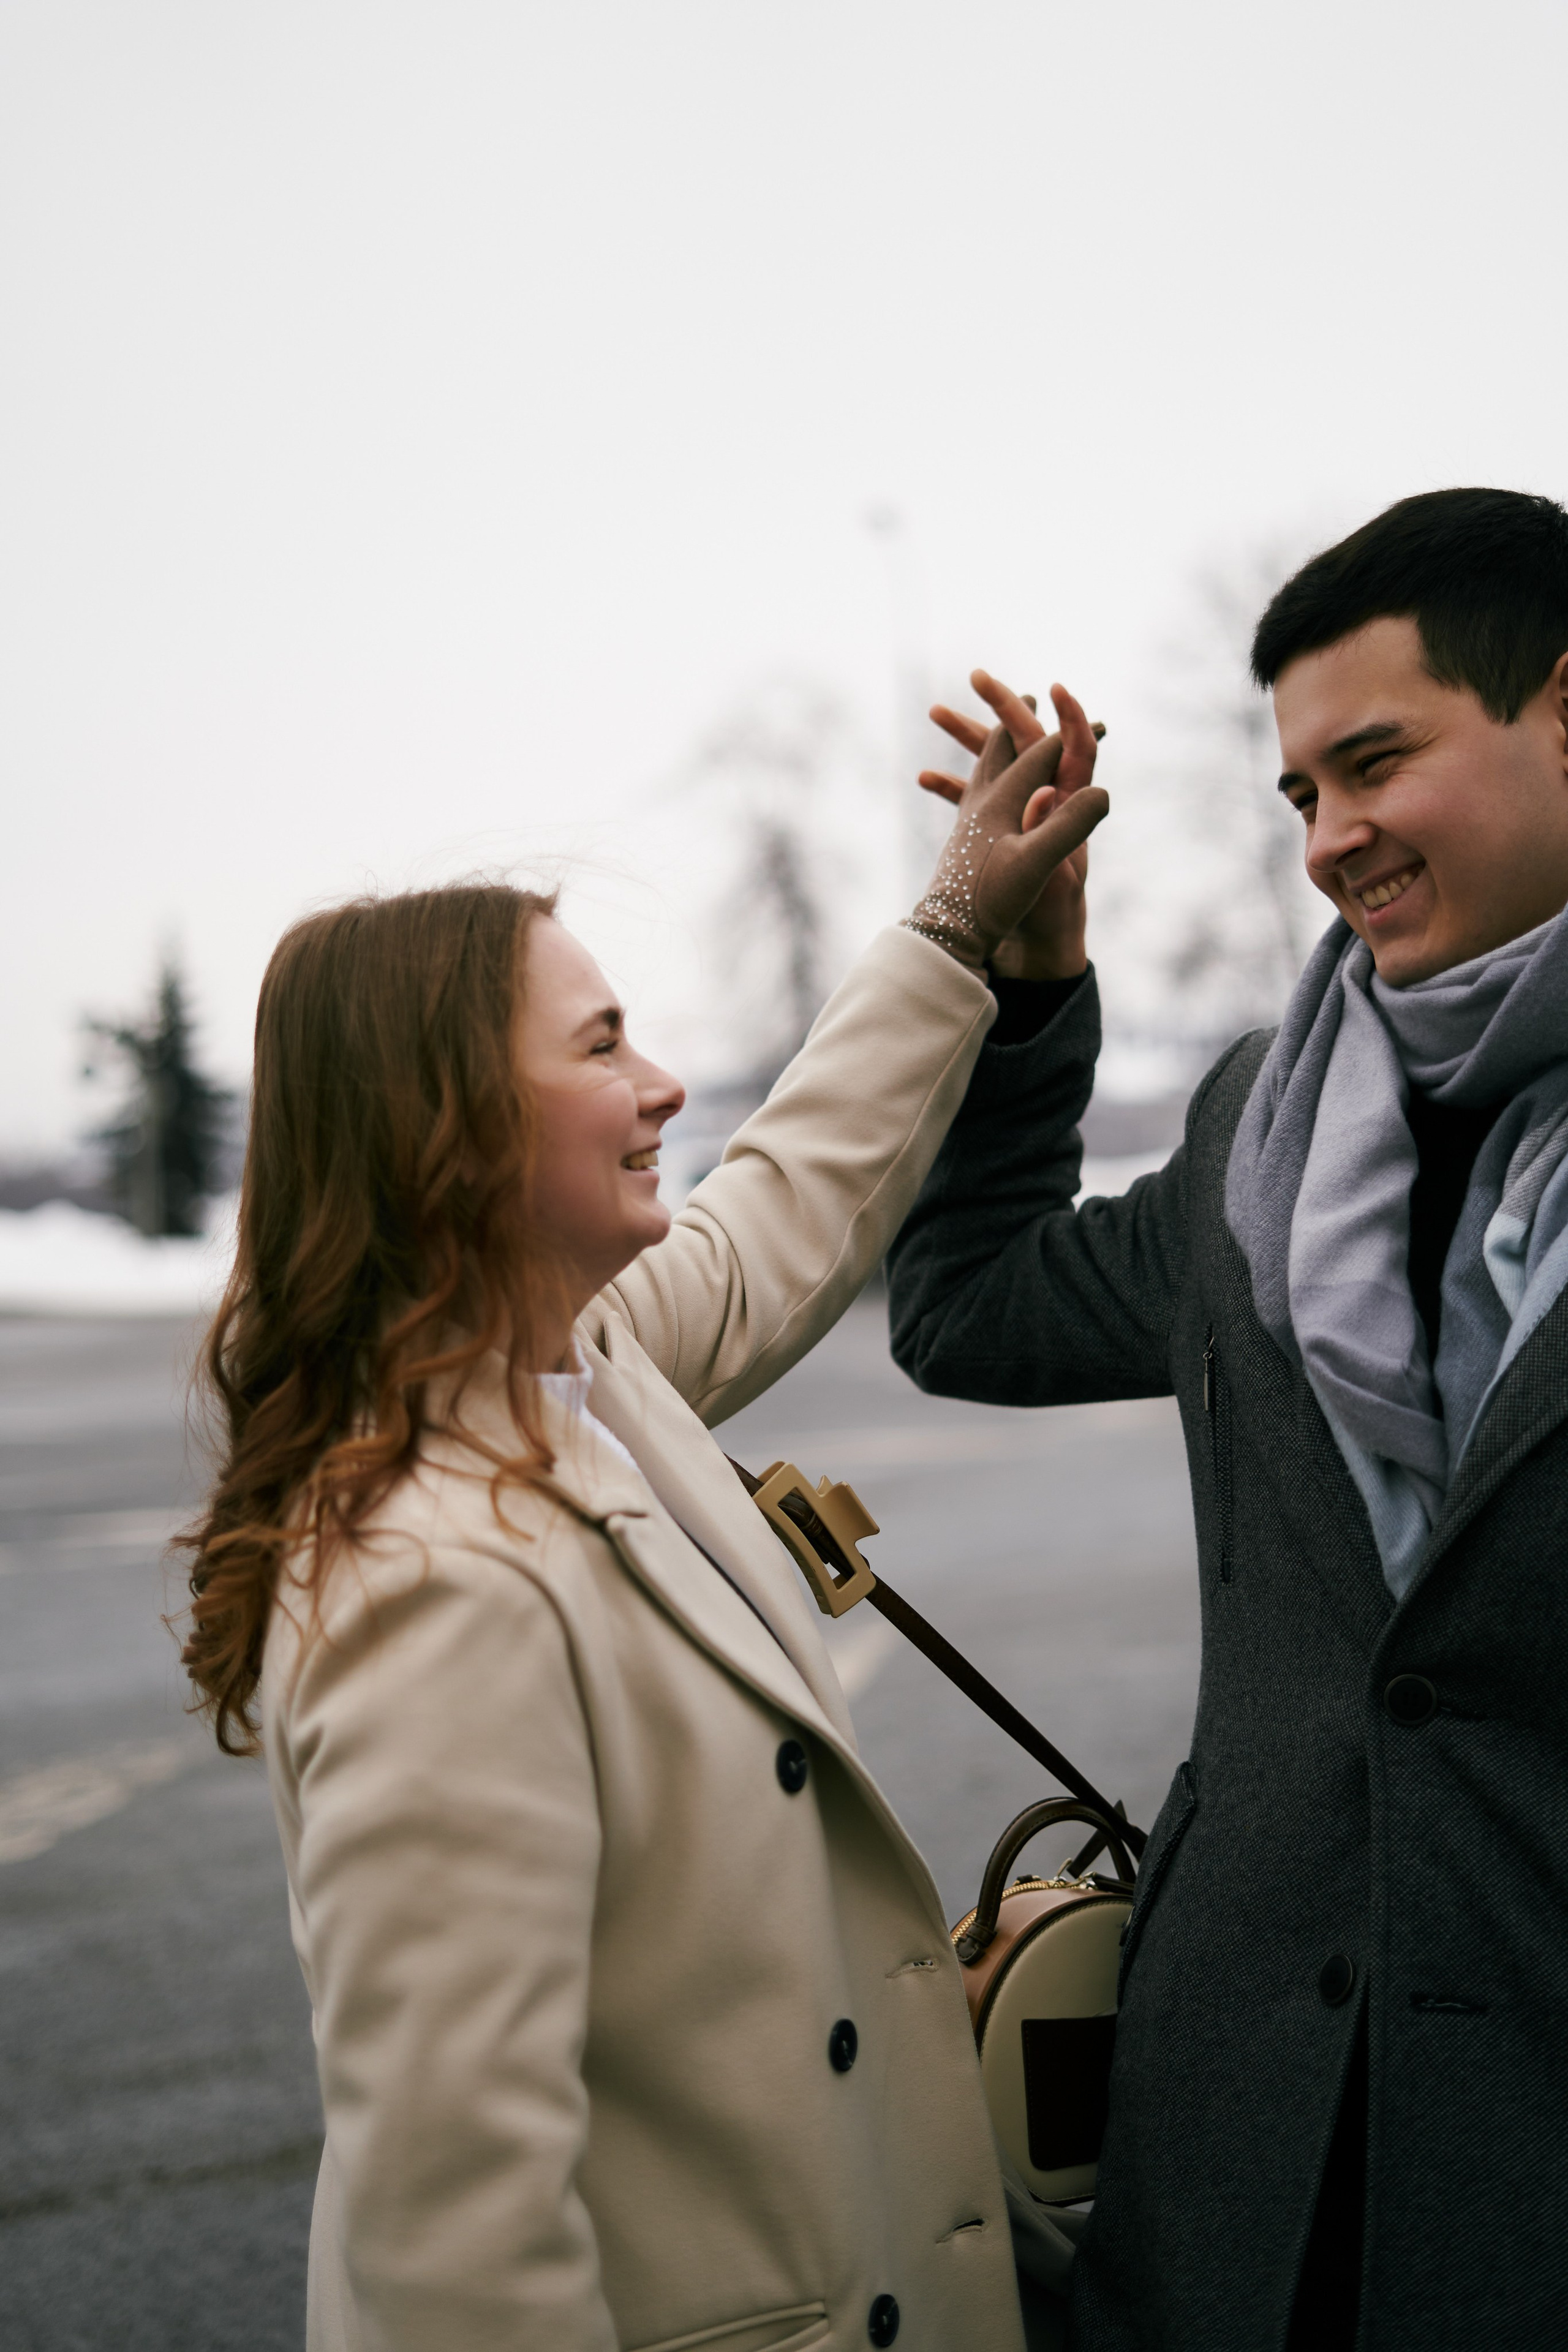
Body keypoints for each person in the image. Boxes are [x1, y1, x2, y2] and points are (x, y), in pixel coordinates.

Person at [176, 717, 1107, 2352]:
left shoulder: (587, 1364)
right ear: (449, 1125)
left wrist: (960, 923)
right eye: (603, 1047)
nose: (665, 1082)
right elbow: (459, 2232)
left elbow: (793, 1191)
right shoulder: (430, 1585)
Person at [886, 486, 1568, 2350]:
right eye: (1299, 798)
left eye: (1374, 765)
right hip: (1240, 2150)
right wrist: (1025, 1001)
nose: (1332, 842)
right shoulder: (1263, 1127)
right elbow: (966, 1311)